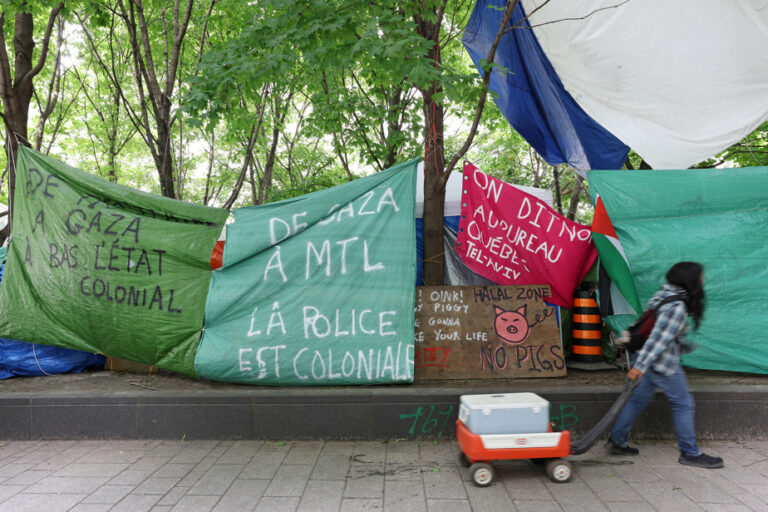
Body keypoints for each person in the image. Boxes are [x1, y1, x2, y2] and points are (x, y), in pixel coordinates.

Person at [607, 261, 724, 469]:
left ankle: (617, 440)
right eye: (701, 275)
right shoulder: (677, 306)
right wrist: (639, 367)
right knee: (683, 404)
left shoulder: (663, 294)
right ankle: (690, 452)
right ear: (691, 280)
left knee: (637, 401)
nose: (703, 279)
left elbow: (655, 331)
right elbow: (657, 341)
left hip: (644, 357)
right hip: (661, 363)